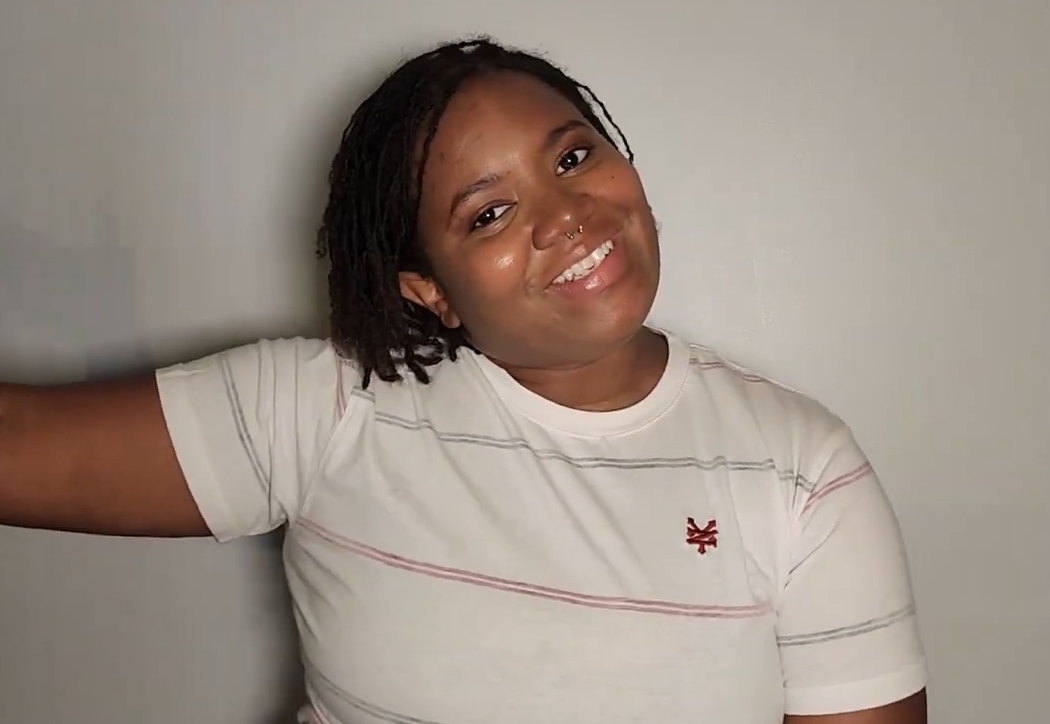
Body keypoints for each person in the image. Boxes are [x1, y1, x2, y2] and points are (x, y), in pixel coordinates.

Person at [0, 37, 927, 724]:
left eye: (572, 157)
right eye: (489, 214)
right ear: (429, 289)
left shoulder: (803, 471)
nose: (566, 215)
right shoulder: (332, 407)